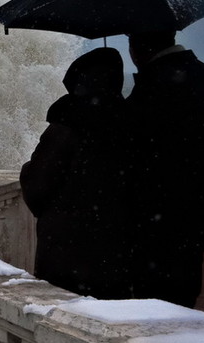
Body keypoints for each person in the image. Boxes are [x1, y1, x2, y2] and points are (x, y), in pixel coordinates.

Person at [125, 30, 204, 307]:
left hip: (154, 220)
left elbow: (131, 143)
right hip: (196, 215)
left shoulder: (156, 84)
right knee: (182, 301)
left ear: (137, 47)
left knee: (151, 307)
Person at [19, 47, 133, 299]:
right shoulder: (133, 123)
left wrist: (26, 170)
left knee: (64, 320)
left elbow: (37, 188)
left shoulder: (66, 127)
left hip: (66, 251)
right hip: (118, 252)